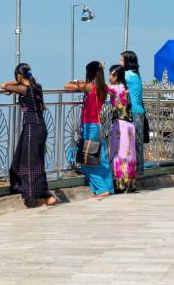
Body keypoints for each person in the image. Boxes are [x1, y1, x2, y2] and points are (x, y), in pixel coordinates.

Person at [1, 63, 55, 208]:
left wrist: (15, 82)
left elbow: (4, 85)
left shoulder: (23, 89)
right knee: (35, 162)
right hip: (40, 126)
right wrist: (21, 80)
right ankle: (44, 196)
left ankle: (37, 198)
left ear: (19, 76)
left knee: (30, 163)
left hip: (32, 127)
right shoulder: (37, 87)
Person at [61, 61, 114, 197]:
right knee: (101, 159)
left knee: (86, 161)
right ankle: (108, 187)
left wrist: (76, 81)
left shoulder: (90, 87)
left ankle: (102, 189)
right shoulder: (103, 87)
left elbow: (67, 86)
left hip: (89, 126)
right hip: (98, 126)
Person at [108, 65, 140, 191]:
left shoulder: (116, 88)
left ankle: (120, 184)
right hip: (129, 124)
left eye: (111, 74)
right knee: (128, 154)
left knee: (119, 153)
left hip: (120, 125)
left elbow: (102, 88)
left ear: (116, 76)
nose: (109, 77)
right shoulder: (126, 88)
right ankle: (130, 184)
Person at [121, 49, 148, 178]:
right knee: (137, 143)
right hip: (139, 112)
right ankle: (139, 170)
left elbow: (113, 81)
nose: (120, 63)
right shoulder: (134, 74)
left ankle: (133, 172)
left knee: (132, 143)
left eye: (121, 60)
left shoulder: (128, 75)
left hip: (133, 112)